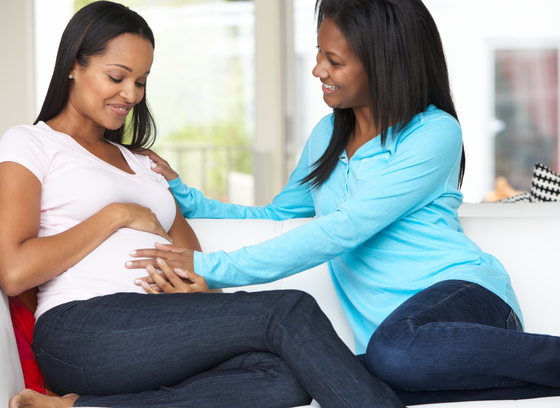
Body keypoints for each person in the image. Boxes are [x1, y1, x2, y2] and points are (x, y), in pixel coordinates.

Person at [129, 0, 560, 405]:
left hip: (466, 302)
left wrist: (212, 268)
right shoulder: (326, 136)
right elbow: (279, 215)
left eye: (334, 60)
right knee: (338, 377)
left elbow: (345, 227)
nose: (318, 69)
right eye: (320, 53)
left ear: (383, 65)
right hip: (396, 348)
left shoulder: (433, 132)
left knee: (389, 353)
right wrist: (181, 194)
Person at [2, 2, 407, 408]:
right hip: (83, 329)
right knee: (288, 309)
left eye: (141, 81)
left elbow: (192, 261)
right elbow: (15, 271)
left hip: (156, 330)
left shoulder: (142, 162)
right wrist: (117, 215)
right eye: (117, 77)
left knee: (285, 376)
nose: (131, 94)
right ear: (74, 64)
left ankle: (80, 407)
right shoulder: (31, 144)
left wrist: (183, 290)